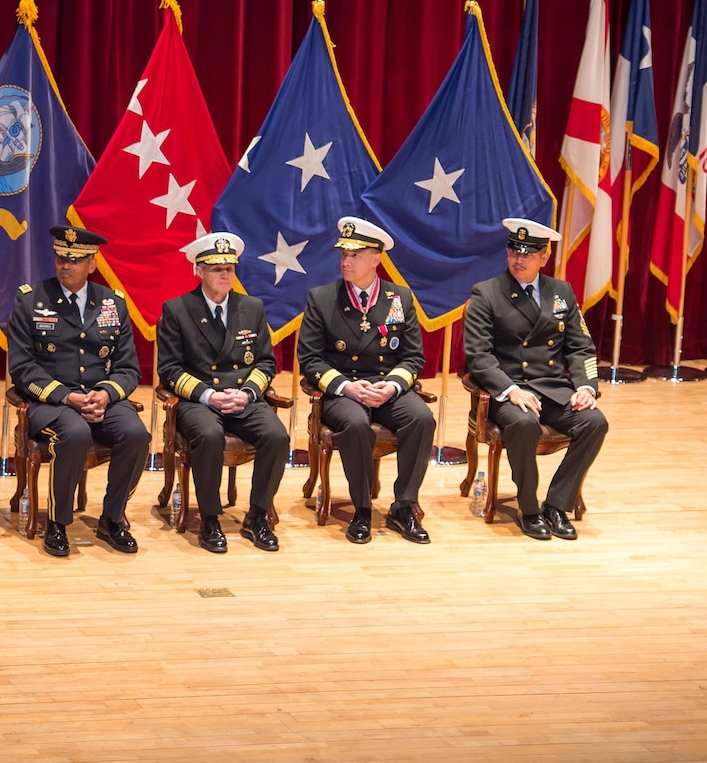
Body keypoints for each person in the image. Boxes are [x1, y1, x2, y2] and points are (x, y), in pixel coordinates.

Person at [8, 226, 150, 557]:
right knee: (75, 433)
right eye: (60, 258)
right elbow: (22, 367)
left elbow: (129, 368)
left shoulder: (112, 303)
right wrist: (67, 397)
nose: (65, 265)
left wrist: (105, 394)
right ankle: (58, 522)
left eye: (74, 260)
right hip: (51, 401)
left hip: (102, 399)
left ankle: (112, 518)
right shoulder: (31, 299)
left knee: (136, 435)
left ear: (92, 264)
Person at [462, 219, 607, 540]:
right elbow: (479, 355)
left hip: (553, 389)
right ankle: (529, 508)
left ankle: (556, 504)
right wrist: (510, 390)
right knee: (524, 424)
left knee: (595, 422)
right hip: (509, 391)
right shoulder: (486, 293)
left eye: (528, 253)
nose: (519, 258)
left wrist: (585, 386)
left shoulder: (561, 291)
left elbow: (581, 346)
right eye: (514, 250)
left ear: (545, 257)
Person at [297, 216, 433, 545]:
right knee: (356, 424)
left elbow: (414, 357)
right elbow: (310, 358)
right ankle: (362, 509)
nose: (346, 261)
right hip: (343, 389)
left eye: (355, 255)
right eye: (343, 254)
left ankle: (404, 505)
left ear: (376, 258)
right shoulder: (322, 298)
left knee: (422, 418)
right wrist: (346, 387)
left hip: (387, 386)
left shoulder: (399, 298)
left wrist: (392, 386)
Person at [156, 231, 289, 553]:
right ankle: (211, 518)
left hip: (243, 397)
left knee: (278, 436)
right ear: (198, 271)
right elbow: (170, 370)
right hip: (200, 400)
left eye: (229, 268)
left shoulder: (252, 307)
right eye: (216, 268)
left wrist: (247, 392)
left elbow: (266, 363)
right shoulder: (178, 309)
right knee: (209, 436)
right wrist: (209, 395)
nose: (225, 275)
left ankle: (257, 516)